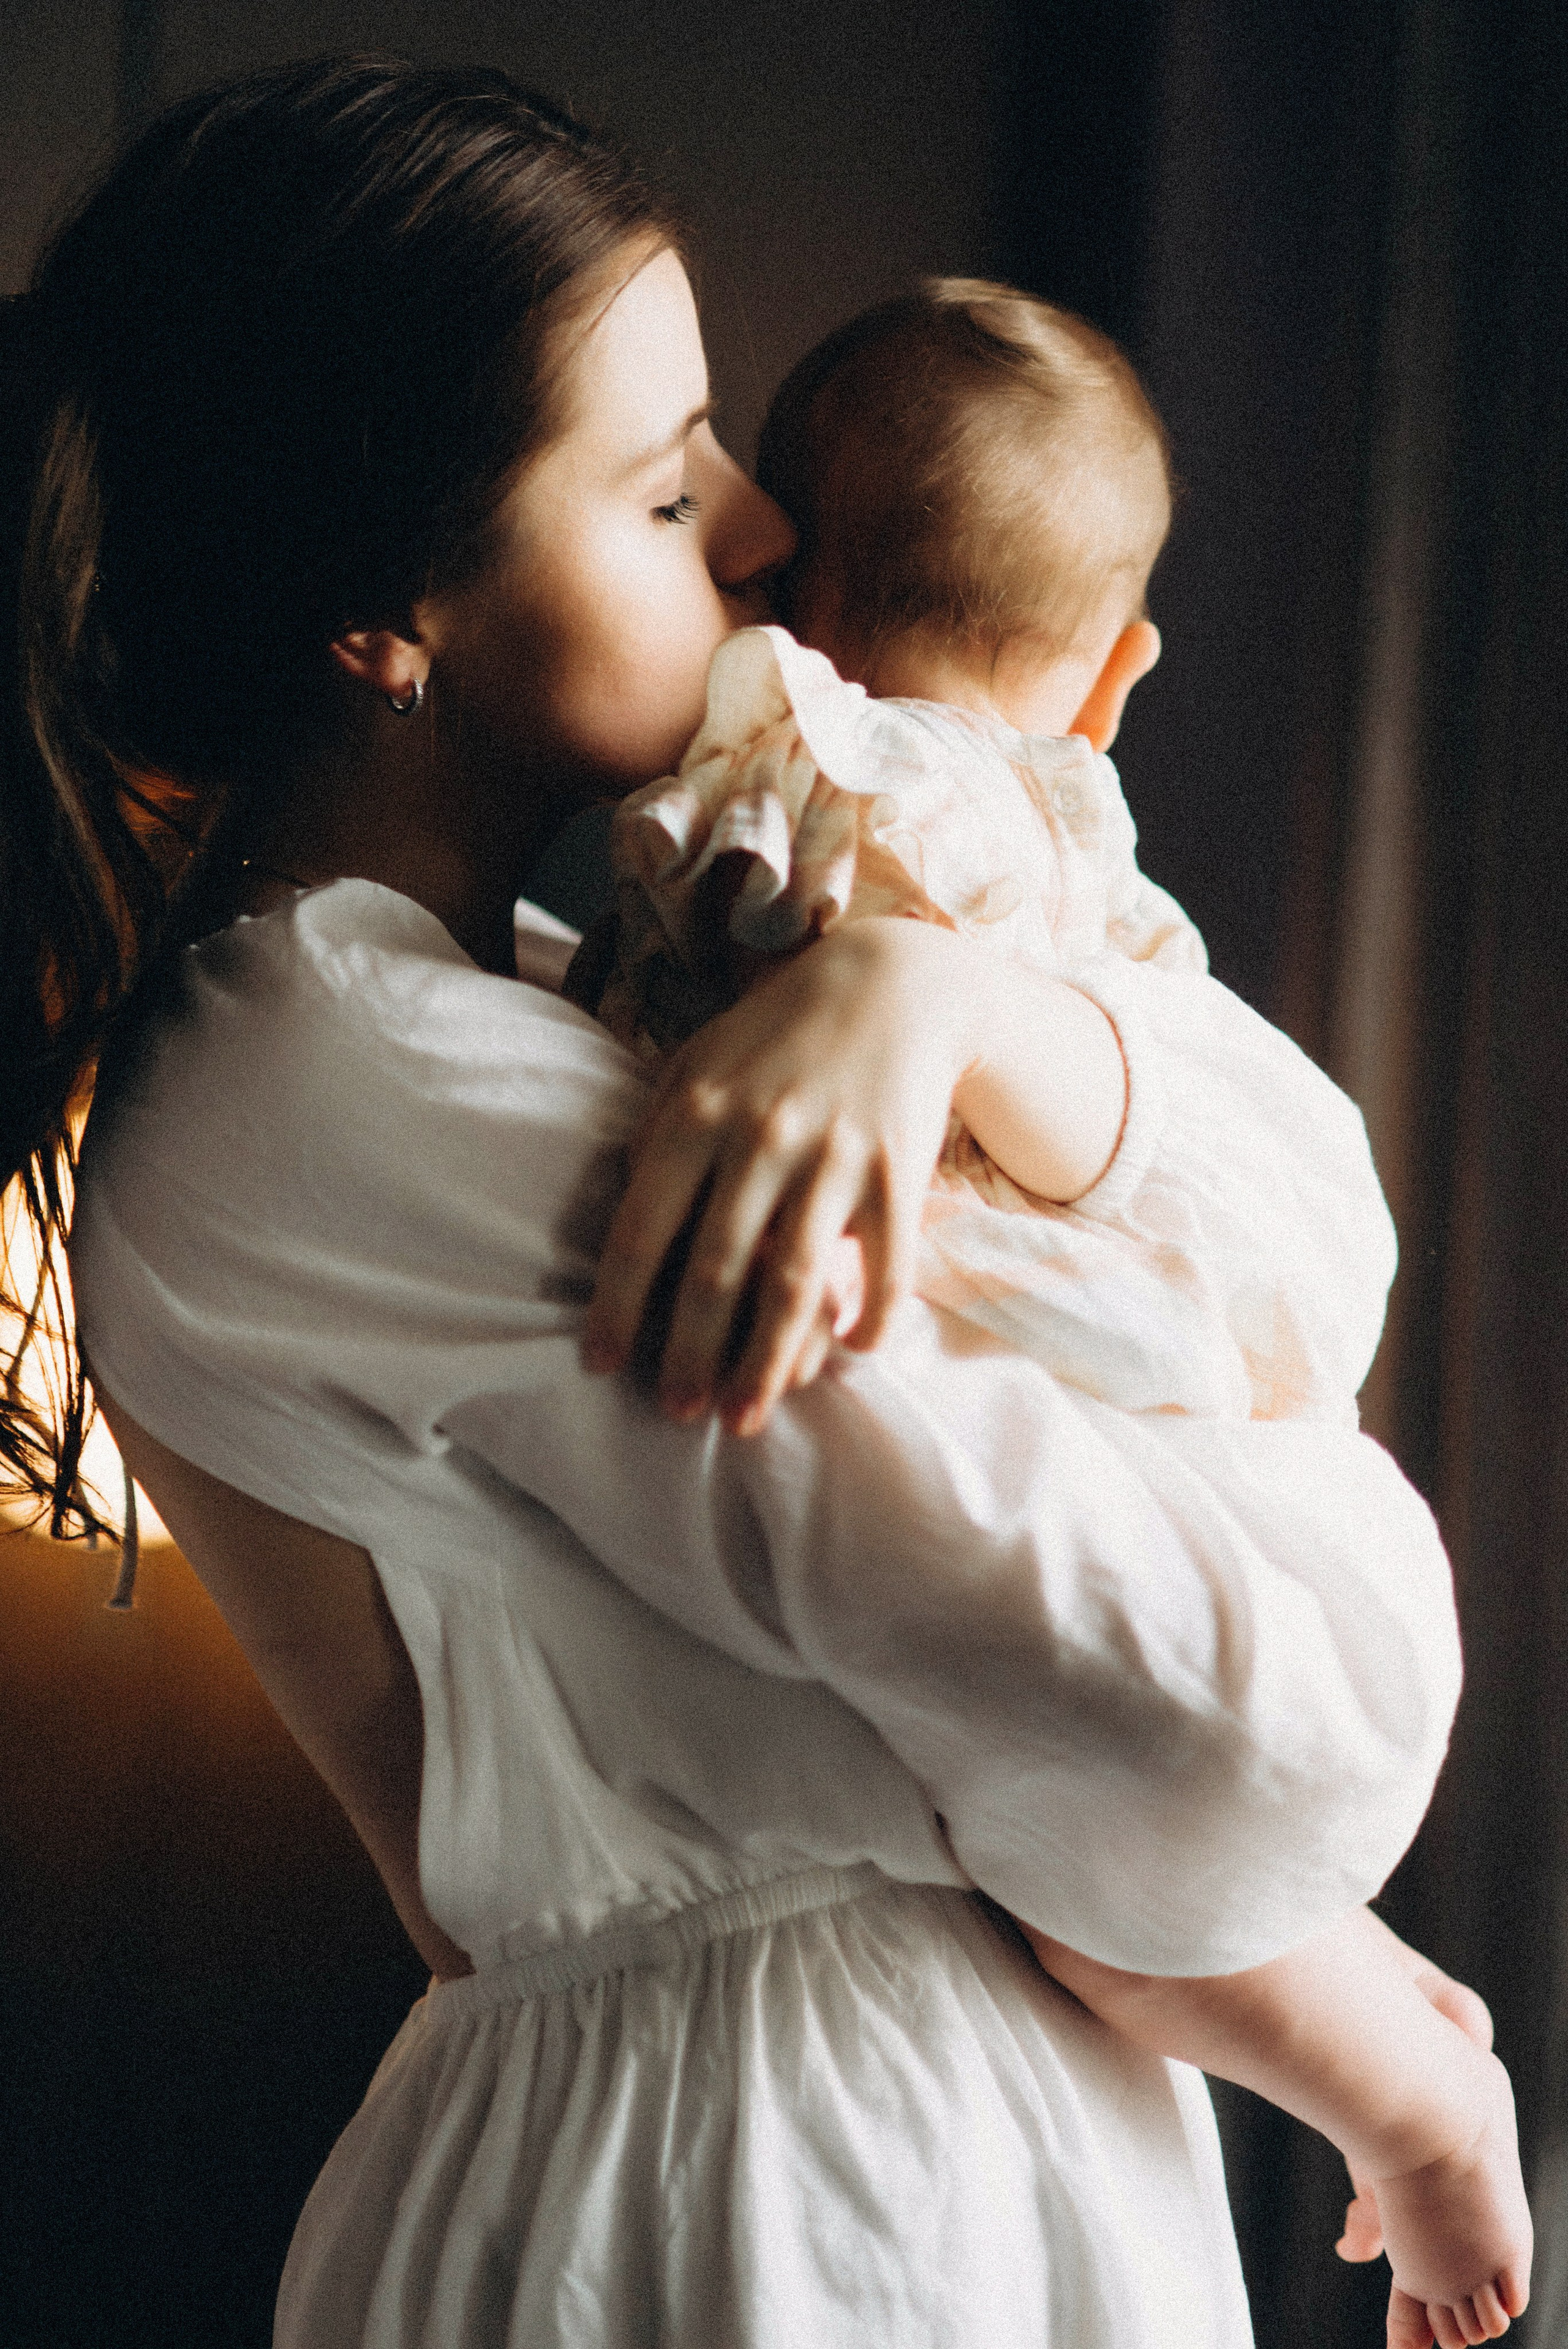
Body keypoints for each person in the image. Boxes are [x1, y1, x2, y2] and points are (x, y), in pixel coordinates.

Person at [0, 55, 1476, 2349]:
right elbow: (1209, 1687)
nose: (778, 538)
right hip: (771, 2210)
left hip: (873, 2154)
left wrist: (945, 1000)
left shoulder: (568, 1010)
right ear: (387, 617)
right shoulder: (342, 1085)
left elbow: (1308, 1235)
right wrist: (1361, 2009)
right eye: (670, 493)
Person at [571, 281, 1535, 2347]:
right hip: (1214, 1469)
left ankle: (1420, 2097)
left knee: (1085, 1904)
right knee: (1089, 1872)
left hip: (1175, 1498)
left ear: (779, 585)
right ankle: (1372, 2016)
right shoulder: (1063, 836)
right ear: (1116, 676)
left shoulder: (797, 769)